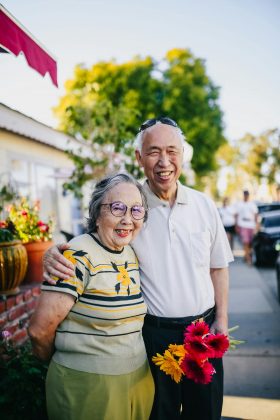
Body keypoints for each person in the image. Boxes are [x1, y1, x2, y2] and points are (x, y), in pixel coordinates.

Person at [43, 117, 233, 420]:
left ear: (182, 155)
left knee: (206, 413)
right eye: (153, 151)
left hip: (203, 332)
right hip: (153, 337)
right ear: (138, 157)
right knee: (159, 414)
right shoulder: (130, 206)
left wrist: (221, 319)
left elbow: (218, 266)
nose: (164, 162)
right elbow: (93, 238)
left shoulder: (204, 205)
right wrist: (53, 251)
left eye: (172, 151)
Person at [28, 173, 154, 420]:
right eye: (117, 208)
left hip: (138, 381)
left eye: (136, 210)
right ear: (97, 213)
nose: (127, 219)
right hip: (87, 387)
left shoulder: (130, 252)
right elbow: (39, 330)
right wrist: (68, 361)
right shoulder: (77, 255)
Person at [235, 190, 258, 265]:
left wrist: (256, 226)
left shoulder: (252, 204)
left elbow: (256, 215)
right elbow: (237, 215)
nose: (246, 196)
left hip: (251, 225)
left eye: (247, 195)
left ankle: (246, 256)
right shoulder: (240, 204)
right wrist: (237, 225)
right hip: (243, 224)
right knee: (246, 242)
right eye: (245, 195)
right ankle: (249, 260)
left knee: (250, 244)